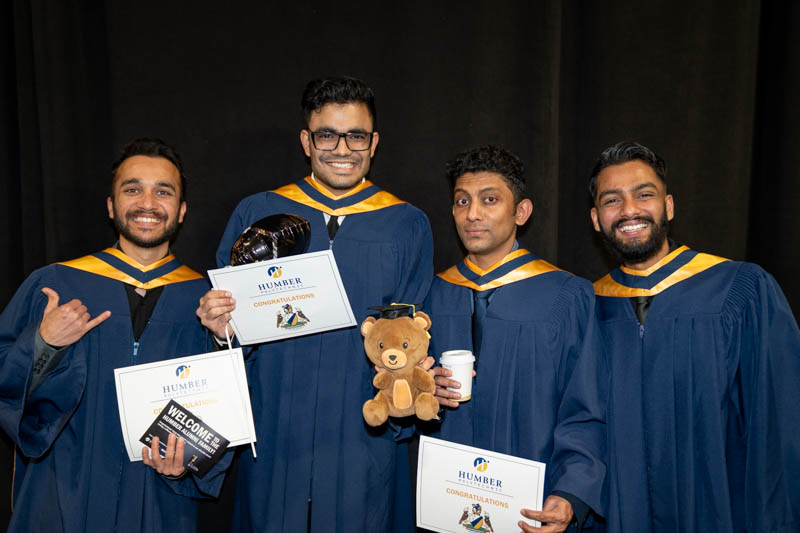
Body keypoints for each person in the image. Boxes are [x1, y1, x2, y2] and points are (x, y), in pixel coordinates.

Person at [196, 76, 433, 532]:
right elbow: (229, 336)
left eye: (356, 136)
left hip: (361, 436)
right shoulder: (258, 213)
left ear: (374, 142)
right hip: (275, 429)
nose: (342, 149)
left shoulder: (406, 224)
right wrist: (221, 330)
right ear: (306, 141)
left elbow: (410, 332)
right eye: (327, 135)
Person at [0, 138, 230, 532]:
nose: (147, 203)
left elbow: (231, 405)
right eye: (132, 189)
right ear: (111, 205)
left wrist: (190, 460)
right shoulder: (57, 283)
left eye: (163, 192)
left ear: (182, 210)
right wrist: (42, 342)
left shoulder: (209, 301)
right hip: (63, 491)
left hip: (159, 499)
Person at [589, 141, 800, 532]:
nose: (630, 210)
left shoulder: (739, 290)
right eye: (612, 200)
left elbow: (779, 423)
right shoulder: (589, 306)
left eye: (644, 195)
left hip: (720, 512)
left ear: (668, 206)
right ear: (596, 219)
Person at [425, 145, 607, 532]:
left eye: (489, 200)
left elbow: (585, 407)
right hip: (446, 502)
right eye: (462, 201)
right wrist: (421, 390)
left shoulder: (565, 295)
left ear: (521, 212)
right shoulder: (433, 294)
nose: (473, 214)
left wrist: (571, 492)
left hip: (534, 504)